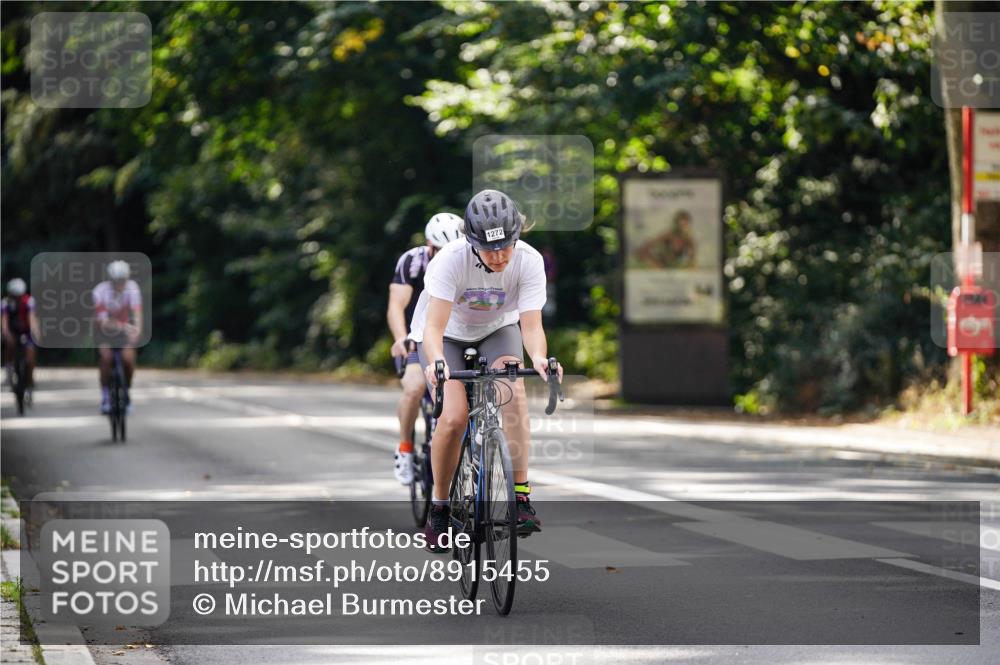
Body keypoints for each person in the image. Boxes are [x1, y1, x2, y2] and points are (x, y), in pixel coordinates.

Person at [408, 189, 563, 552]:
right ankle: (441, 507)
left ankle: (521, 497)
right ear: (471, 241)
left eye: (505, 246)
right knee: (454, 417)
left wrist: (539, 357)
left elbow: (531, 324)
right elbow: (432, 329)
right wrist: (436, 364)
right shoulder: (450, 260)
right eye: (489, 249)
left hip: (498, 329)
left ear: (517, 236)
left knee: (514, 391)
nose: (498, 256)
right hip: (445, 334)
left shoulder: (529, 260)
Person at [388, 212, 464, 484]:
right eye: (440, 250)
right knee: (415, 387)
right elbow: (397, 305)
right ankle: (405, 448)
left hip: (454, 335)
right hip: (416, 335)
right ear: (429, 246)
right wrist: (401, 338)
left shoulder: (467, 260)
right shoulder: (412, 262)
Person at [93, 260, 142, 414]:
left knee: (128, 359)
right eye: (117, 281)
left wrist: (137, 331)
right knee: (106, 358)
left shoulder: (132, 288)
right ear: (111, 280)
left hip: (124, 330)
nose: (120, 284)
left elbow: (137, 314)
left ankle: (126, 392)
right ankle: (106, 396)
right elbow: (102, 321)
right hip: (104, 331)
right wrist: (123, 326)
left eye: (123, 280)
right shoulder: (100, 291)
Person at [1, 278, 40, 401]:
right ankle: (9, 370)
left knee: (30, 356)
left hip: (26, 331)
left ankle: (30, 381)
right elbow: (4, 321)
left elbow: (32, 318)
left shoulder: (29, 301)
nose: (17, 298)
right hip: (13, 331)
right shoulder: (5, 303)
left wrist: (35, 332)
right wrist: (6, 333)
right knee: (9, 345)